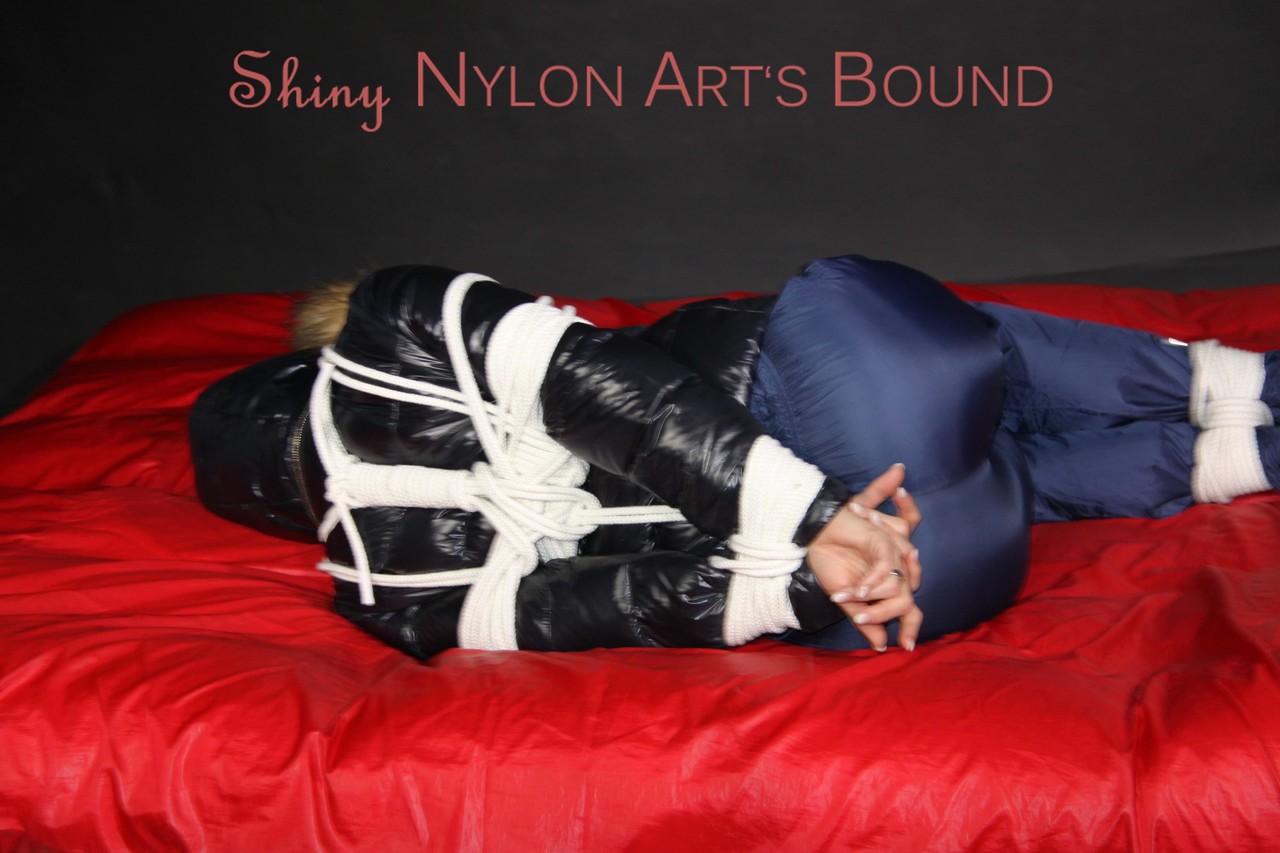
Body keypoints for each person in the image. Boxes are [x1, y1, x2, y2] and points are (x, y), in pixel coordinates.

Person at [190, 255, 1280, 659]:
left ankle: (1239, 456)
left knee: (1000, 472)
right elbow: (617, 392)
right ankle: (1239, 386)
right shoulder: (397, 323)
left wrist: (818, 574)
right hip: (874, 388)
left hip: (931, 569)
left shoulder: (393, 597)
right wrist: (811, 518)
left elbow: (638, 603)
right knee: (954, 353)